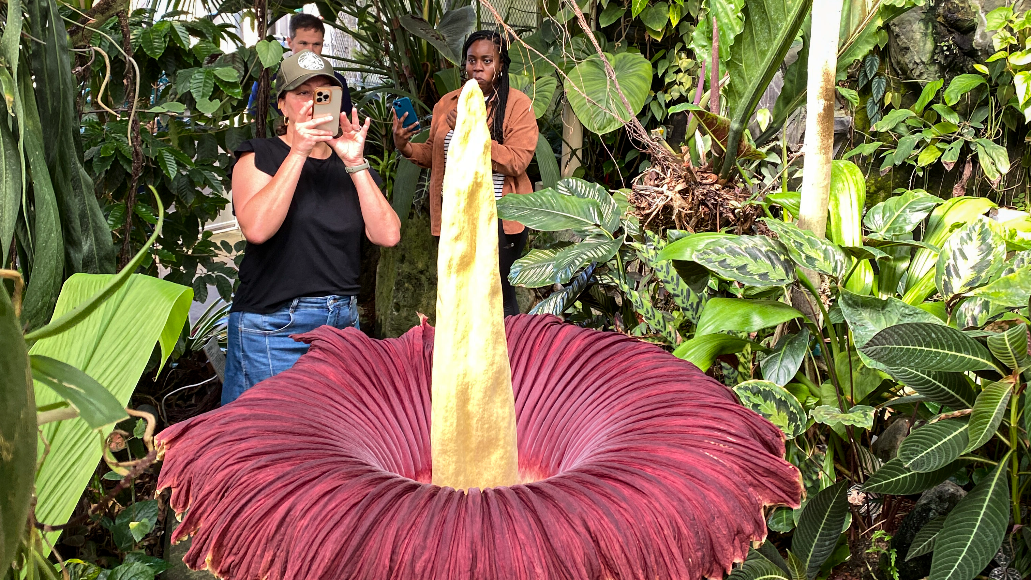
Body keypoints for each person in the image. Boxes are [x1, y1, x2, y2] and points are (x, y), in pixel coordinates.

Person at [224, 50, 400, 405]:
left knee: (333, 439)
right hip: (273, 328)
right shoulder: (258, 155)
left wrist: (355, 162)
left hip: (342, 326)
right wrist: (299, 151)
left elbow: (387, 235)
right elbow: (257, 229)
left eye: (324, 93)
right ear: (283, 106)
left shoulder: (350, 164)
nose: (313, 102)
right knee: (270, 441)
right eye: (303, 93)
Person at [392, 30, 538, 317]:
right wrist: (406, 147)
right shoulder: (448, 103)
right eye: (472, 60)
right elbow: (435, 152)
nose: (478, 67)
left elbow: (517, 161)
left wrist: (471, 132)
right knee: (461, 292)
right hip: (457, 214)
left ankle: (511, 357)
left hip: (497, 217)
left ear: (500, 64)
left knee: (496, 296)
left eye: (487, 60)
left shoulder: (517, 105)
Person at [247, 13, 353, 117]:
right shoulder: (269, 78)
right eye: (303, 43)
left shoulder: (337, 80)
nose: (310, 50)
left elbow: (343, 120)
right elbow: (254, 114)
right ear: (290, 42)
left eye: (316, 44)